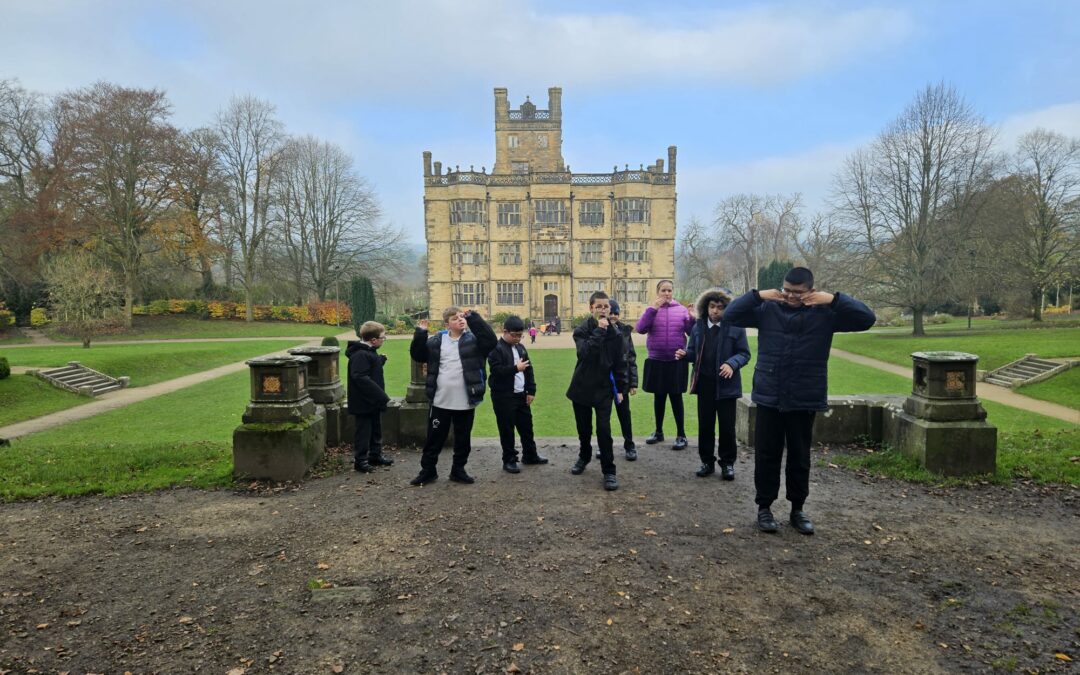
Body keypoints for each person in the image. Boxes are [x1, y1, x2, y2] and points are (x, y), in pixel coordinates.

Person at [723, 267, 875, 535]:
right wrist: (758, 295)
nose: (791, 296)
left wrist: (833, 299)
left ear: (811, 291)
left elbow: (867, 318)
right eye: (787, 290)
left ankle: (797, 509)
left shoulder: (826, 314)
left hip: (805, 393)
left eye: (797, 292)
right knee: (767, 455)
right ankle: (764, 508)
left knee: (799, 456)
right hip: (770, 393)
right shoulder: (767, 310)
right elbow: (730, 314)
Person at [408, 306, 498, 486]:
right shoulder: (436, 341)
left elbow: (491, 340)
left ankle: (458, 470)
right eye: (455, 318)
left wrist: (473, 317)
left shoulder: (475, 341)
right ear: (447, 323)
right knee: (434, 438)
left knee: (463, 438)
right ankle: (428, 471)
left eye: (462, 318)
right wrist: (420, 333)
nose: (460, 320)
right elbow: (418, 355)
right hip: (441, 400)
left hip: (466, 400)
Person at [681, 288, 750, 480]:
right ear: (706, 307)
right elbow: (694, 353)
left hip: (727, 386)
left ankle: (727, 464)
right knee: (706, 426)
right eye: (712, 306)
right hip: (704, 385)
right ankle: (706, 462)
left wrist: (731, 364)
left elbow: (744, 354)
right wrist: (685, 355)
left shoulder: (736, 327)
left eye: (720, 307)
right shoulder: (698, 327)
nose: (715, 311)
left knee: (727, 427)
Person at [567, 291, 628, 491]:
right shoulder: (582, 330)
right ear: (591, 308)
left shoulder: (617, 334)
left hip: (603, 389)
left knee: (604, 430)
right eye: (599, 306)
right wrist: (599, 332)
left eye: (606, 306)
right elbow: (585, 354)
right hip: (582, 387)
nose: (603, 310)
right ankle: (584, 456)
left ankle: (609, 471)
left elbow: (620, 363)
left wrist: (620, 388)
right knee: (584, 430)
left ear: (610, 309)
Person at [635, 279, 694, 450]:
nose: (667, 293)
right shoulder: (651, 310)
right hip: (656, 360)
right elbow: (640, 329)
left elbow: (692, 333)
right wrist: (652, 310)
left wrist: (691, 318)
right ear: (658, 292)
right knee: (659, 397)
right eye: (663, 290)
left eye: (669, 290)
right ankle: (658, 431)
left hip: (676, 360)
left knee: (676, 398)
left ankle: (681, 435)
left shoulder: (682, 310)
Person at [488, 315, 548, 473]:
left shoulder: (521, 348)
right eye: (514, 335)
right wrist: (515, 368)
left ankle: (530, 455)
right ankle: (509, 459)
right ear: (504, 331)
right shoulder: (496, 349)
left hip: (521, 395)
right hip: (503, 396)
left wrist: (531, 390)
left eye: (520, 335)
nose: (517, 338)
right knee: (507, 429)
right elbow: (496, 371)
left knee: (527, 427)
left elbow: (529, 369)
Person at [346, 321, 393, 473]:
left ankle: (375, 455)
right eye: (383, 337)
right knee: (363, 432)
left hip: (372, 401)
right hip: (364, 401)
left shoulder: (369, 352)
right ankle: (360, 461)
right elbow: (360, 376)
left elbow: (368, 370)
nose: (383, 340)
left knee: (375, 429)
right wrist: (381, 395)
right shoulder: (361, 354)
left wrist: (379, 361)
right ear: (373, 340)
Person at [609, 300, 639, 461]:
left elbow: (631, 358)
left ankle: (630, 445)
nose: (613, 316)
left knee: (624, 415)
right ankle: (603, 446)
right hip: (605, 381)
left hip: (622, 381)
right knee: (604, 417)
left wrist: (633, 382)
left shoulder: (625, 332)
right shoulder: (601, 330)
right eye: (611, 313)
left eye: (616, 313)